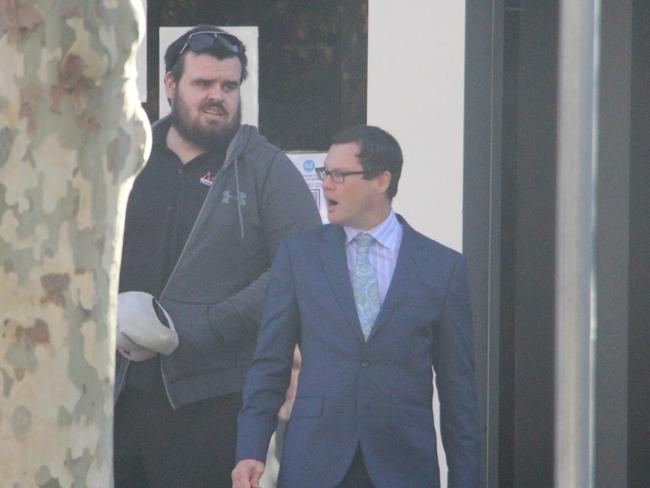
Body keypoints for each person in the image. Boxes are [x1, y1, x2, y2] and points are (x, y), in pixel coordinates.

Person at [113, 25, 321, 488]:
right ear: (170, 85)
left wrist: (204, 325)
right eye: (202, 84)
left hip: (214, 400)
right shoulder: (128, 161)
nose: (217, 96)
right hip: (117, 397)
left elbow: (302, 266)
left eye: (228, 86)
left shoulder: (266, 169)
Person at [232, 125, 481, 488]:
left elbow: (459, 390)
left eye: (339, 175)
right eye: (325, 172)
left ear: (381, 180)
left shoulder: (442, 268)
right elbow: (270, 364)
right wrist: (250, 449)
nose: (326, 184)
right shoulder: (298, 257)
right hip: (314, 459)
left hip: (403, 462)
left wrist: (467, 478)